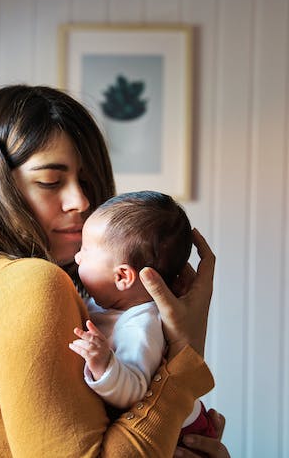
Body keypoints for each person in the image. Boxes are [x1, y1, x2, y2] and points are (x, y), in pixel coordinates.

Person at [0, 85, 229, 457]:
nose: (80, 200)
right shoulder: (29, 283)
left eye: (88, 181)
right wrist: (183, 358)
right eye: (50, 181)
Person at [69, 191, 218, 447]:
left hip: (181, 435)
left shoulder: (141, 325)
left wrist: (104, 363)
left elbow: (134, 391)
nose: (77, 257)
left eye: (85, 251)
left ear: (122, 277)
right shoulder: (106, 304)